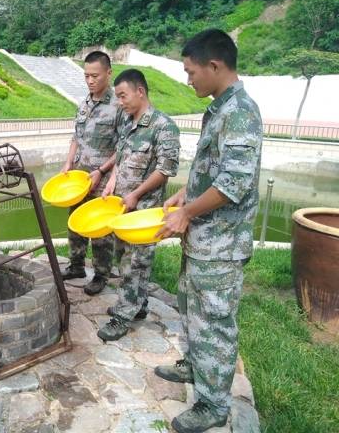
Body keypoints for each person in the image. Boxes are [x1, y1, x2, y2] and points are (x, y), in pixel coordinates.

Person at [155, 29, 263, 433]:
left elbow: (234, 184)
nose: (188, 80)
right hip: (202, 239)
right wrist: (183, 195)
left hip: (221, 245)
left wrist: (186, 215)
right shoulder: (220, 108)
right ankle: (195, 365)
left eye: (190, 72)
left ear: (214, 66)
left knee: (215, 323)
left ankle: (214, 404)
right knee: (191, 307)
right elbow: (212, 171)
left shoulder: (240, 113)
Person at [97, 69, 180, 341]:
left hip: (143, 211)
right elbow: (121, 158)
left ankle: (123, 316)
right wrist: (112, 181)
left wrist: (135, 194)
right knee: (123, 258)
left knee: (136, 264)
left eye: (123, 95)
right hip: (123, 209)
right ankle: (138, 305)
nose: (119, 101)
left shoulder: (163, 127)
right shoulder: (129, 123)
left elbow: (165, 170)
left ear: (140, 92)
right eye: (118, 96)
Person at [61, 51, 120, 295]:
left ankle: (101, 274)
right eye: (86, 76)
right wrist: (68, 163)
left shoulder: (119, 106)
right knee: (75, 223)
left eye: (95, 75)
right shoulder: (84, 104)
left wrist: (102, 171)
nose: (90, 80)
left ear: (108, 73)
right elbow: (76, 137)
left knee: (99, 231)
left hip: (103, 180)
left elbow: (124, 146)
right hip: (79, 178)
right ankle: (76, 266)